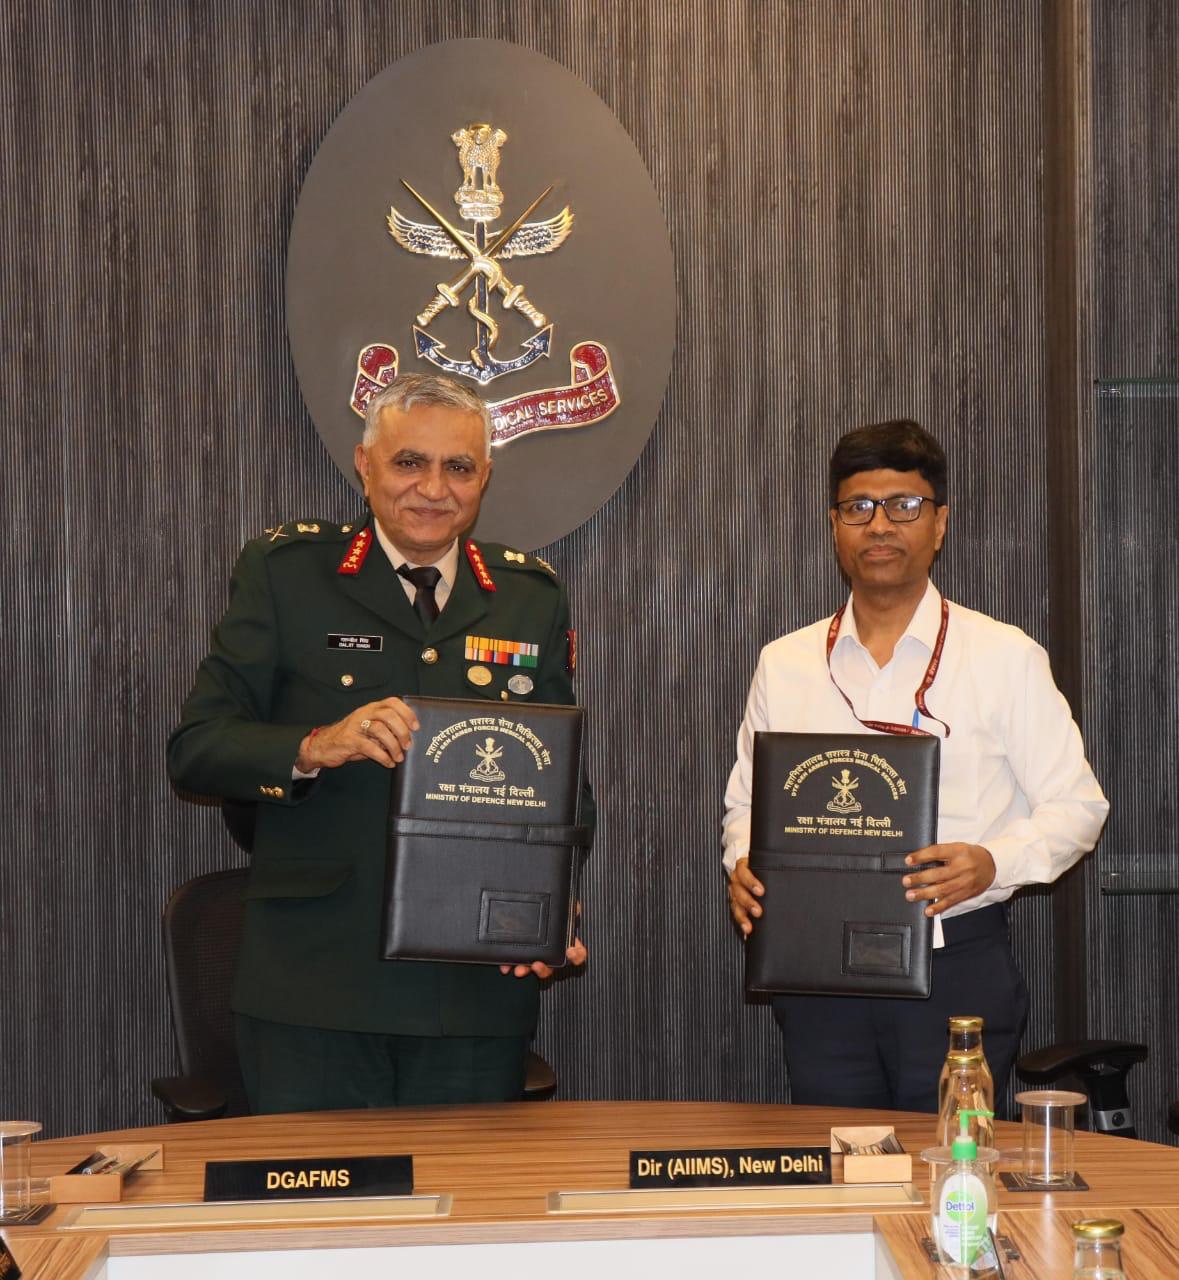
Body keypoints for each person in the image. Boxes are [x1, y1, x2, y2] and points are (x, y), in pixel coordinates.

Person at [168, 372, 589, 1112]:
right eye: (408, 462)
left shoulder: (530, 596)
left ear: (485, 477)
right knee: (318, 1192)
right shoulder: (287, 573)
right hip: (316, 985)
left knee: (468, 1190)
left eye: (458, 467)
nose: (433, 488)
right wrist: (314, 745)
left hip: (471, 989)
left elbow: (563, 788)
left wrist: (552, 907)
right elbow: (197, 749)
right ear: (365, 466)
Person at [722, 420, 1108, 1112]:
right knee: (838, 1157)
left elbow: (1078, 808)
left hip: (953, 962)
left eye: (903, 505)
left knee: (953, 1160)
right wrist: (742, 862)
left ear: (939, 524)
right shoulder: (785, 662)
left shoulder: (1003, 656)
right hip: (817, 969)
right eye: (857, 507)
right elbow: (746, 804)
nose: (879, 525)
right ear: (834, 526)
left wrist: (991, 862)